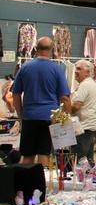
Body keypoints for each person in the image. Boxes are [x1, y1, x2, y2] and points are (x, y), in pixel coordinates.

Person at [12, 37, 71, 166]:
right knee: (43, 156)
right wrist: (65, 120)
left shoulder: (25, 68)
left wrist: (21, 115)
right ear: (51, 50)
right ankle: (40, 185)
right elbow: (65, 98)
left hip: (29, 117)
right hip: (49, 119)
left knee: (27, 155)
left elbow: (15, 94)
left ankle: (24, 185)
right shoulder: (57, 69)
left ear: (36, 49)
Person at [70, 60, 96, 164]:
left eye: (79, 69)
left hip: (83, 128)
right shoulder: (91, 84)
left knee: (78, 161)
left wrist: (65, 107)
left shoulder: (84, 85)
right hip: (89, 127)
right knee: (87, 161)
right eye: (75, 69)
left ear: (87, 72)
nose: (75, 72)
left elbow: (76, 106)